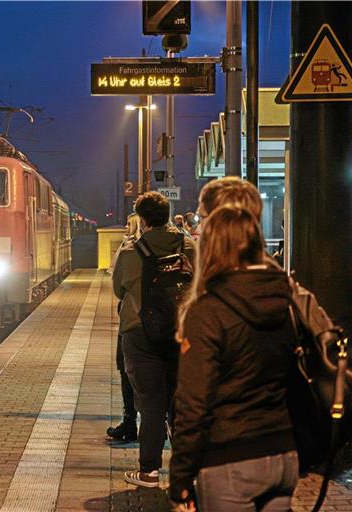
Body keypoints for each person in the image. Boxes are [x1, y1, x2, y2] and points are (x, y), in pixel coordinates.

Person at [169, 205, 298, 511]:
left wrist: (181, 476)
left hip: (230, 458)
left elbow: (194, 403)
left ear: (210, 248)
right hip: (282, 453)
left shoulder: (207, 312)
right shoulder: (284, 300)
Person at [112, 191, 196, 487]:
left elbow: (118, 290)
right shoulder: (189, 246)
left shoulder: (129, 251)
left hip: (140, 333)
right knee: (181, 401)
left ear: (142, 219)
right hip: (183, 332)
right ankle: (185, 473)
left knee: (150, 404)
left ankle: (148, 471)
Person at [106, 213, 141, 442]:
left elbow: (118, 289)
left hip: (134, 321)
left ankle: (130, 422)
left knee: (127, 370)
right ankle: (165, 423)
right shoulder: (184, 244)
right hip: (172, 323)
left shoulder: (129, 250)